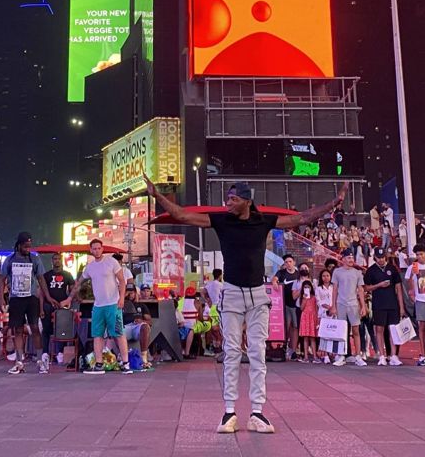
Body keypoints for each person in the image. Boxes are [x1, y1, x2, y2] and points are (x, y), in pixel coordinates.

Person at [146, 176, 346, 434]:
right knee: (231, 353)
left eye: (233, 199)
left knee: (257, 354)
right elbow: (183, 216)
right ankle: (229, 412)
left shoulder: (263, 221)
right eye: (227, 198)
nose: (227, 202)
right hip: (231, 294)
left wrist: (335, 202)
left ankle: (257, 413)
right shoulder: (221, 220)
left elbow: (302, 218)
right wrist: (156, 196)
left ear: (247, 201)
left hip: (257, 295)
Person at [74, 239, 132, 375]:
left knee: (118, 333)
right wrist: (72, 296)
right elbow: (79, 282)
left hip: (113, 304)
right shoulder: (90, 267)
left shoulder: (111, 262)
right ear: (90, 250)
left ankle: (125, 363)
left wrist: (122, 298)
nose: (97, 251)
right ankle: (99, 364)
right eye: (94, 249)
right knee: (97, 335)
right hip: (98, 305)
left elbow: (122, 281)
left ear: (102, 249)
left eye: (99, 248)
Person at [0, 232, 49, 375]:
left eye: (30, 246)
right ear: (19, 245)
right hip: (15, 298)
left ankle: (40, 361)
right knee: (18, 330)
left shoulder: (34, 259)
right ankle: (19, 362)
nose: (28, 249)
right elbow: (2, 280)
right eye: (26, 246)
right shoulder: (9, 260)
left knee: (35, 328)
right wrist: (2, 298)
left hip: (31, 298)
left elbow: (41, 279)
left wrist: (47, 296)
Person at [364, 248, 404, 365]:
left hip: (392, 304)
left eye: (382, 257)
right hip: (379, 304)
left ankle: (393, 355)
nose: (381, 259)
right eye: (378, 257)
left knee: (393, 330)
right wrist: (379, 285)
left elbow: (399, 289)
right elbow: (366, 288)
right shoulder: (371, 270)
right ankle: (381, 355)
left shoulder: (392, 269)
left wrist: (401, 307)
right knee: (379, 329)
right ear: (375, 257)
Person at [42, 254, 74, 367]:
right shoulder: (46, 275)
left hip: (62, 305)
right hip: (47, 305)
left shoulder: (67, 275)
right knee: (46, 329)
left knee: (62, 329)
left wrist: (71, 299)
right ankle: (45, 353)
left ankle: (60, 352)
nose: (57, 261)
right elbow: (41, 292)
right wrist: (40, 308)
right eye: (55, 259)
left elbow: (72, 290)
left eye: (59, 259)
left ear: (62, 261)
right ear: (52, 261)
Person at [273, 255, 302, 360]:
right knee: (286, 327)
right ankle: (284, 347)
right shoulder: (281, 273)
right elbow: (274, 279)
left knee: (295, 328)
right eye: (286, 262)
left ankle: (293, 350)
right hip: (284, 305)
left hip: (296, 305)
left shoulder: (298, 274)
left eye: (290, 261)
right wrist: (274, 283)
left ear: (294, 262)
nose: (288, 263)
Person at [298, 279, 319, 363]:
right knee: (305, 338)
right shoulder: (302, 297)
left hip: (312, 318)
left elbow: (316, 308)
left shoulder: (314, 297)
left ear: (311, 288)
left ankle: (314, 356)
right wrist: (304, 299)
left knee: (313, 338)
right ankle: (306, 356)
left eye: (308, 287)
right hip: (305, 318)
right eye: (305, 287)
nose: (307, 289)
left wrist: (317, 319)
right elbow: (301, 308)